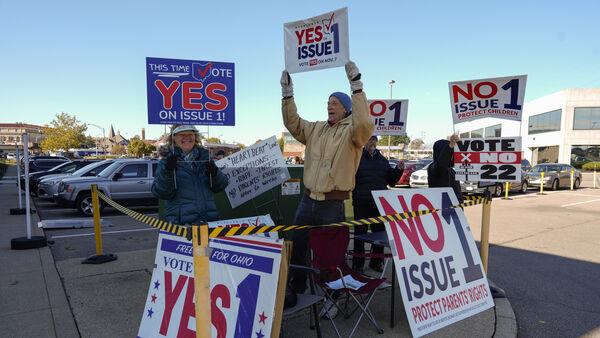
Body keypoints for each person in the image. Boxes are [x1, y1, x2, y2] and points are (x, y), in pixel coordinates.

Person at [280, 61, 374, 309]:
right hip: (307, 200)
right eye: (328, 103)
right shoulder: (316, 129)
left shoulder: (353, 133)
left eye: (334, 103)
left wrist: (357, 87)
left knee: (330, 256)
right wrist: (287, 95)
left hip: (332, 204)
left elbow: (364, 123)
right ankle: (297, 288)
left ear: (346, 109)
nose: (329, 106)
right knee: (297, 246)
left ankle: (332, 297)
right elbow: (293, 123)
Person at [152, 125, 228, 225]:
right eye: (182, 134)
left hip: (209, 221)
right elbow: (161, 193)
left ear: (195, 136)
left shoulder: (205, 158)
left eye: (190, 134)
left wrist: (214, 174)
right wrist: (168, 171)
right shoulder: (166, 161)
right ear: (173, 138)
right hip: (180, 225)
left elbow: (220, 187)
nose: (187, 137)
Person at [352, 135, 403, 273]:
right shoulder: (357, 158)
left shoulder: (382, 160)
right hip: (361, 203)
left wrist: (398, 170)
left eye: (374, 140)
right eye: (369, 139)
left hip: (379, 204)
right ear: (364, 142)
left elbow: (391, 181)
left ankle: (376, 262)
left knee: (379, 235)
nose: (372, 142)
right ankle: (357, 264)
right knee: (359, 234)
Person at [427, 134, 463, 203]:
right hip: (441, 208)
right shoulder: (432, 168)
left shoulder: (451, 169)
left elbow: (460, 157)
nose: (451, 154)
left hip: (456, 209)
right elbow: (441, 164)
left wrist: (459, 144)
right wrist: (449, 147)